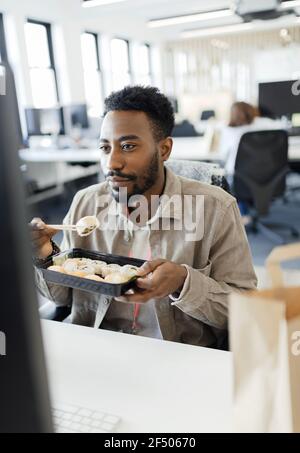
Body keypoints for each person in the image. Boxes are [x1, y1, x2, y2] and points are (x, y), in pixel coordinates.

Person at [31, 86, 257, 349]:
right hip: (97, 349)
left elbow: (246, 309)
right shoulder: (86, 203)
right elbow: (60, 299)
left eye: (128, 146)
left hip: (178, 357)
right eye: (105, 147)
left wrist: (184, 283)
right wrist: (44, 255)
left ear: (164, 150)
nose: (112, 163)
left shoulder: (216, 209)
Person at [219, 101, 284, 176]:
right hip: (267, 175)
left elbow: (223, 155)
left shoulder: (228, 131)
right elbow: (283, 127)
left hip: (237, 177)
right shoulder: (264, 123)